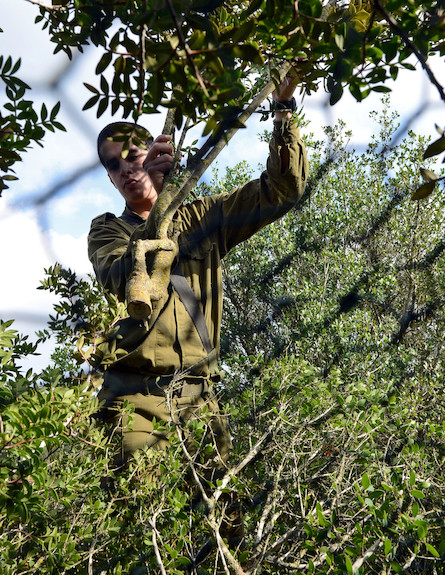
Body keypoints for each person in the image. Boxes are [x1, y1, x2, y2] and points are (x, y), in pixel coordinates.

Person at [87, 74, 308, 544]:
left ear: (153, 154)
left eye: (133, 156)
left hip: (200, 397)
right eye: (113, 165)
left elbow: (281, 190)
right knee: (140, 529)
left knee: (222, 534)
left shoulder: (203, 218)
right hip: (134, 398)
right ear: (108, 176)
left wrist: (283, 110)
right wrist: (161, 212)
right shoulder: (107, 231)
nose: (126, 169)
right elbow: (113, 276)